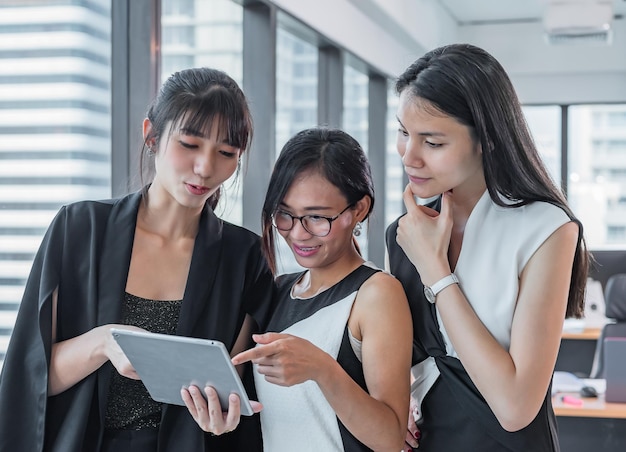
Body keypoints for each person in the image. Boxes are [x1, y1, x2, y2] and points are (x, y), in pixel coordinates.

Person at [0, 67, 275, 452]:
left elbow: (234, 386)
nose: (206, 168)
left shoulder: (243, 257)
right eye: (190, 144)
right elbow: (30, 376)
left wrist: (223, 419)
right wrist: (104, 342)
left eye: (226, 153)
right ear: (151, 134)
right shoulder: (79, 229)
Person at [385, 43, 589, 452]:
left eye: (433, 142)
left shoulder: (547, 229)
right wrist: (401, 397)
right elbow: (414, 358)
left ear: (486, 139)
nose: (409, 156)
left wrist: (436, 271)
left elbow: (515, 406)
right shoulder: (405, 232)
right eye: (404, 133)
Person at [187, 127, 413, 451]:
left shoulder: (376, 294)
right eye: (285, 215)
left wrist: (322, 369)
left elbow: (390, 438)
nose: (298, 234)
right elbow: (234, 390)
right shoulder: (275, 290)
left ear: (359, 209)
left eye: (317, 218)